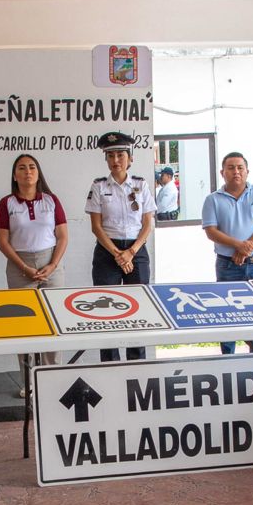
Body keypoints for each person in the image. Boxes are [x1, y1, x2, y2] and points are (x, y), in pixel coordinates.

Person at [0, 153, 68, 396]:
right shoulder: (7, 203)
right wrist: (24, 267)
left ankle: (52, 378)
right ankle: (28, 381)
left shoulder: (51, 200)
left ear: (38, 173)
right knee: (23, 325)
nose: (28, 172)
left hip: (50, 265)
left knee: (53, 324)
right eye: (22, 168)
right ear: (15, 175)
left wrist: (53, 265)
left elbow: (63, 236)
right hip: (20, 266)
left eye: (32, 167)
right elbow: (3, 241)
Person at [86, 131, 155, 362]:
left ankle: (137, 364)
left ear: (130, 158)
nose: (116, 160)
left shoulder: (141, 184)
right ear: (106, 159)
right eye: (111, 155)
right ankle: (110, 364)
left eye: (120, 155)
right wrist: (118, 254)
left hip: (136, 250)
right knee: (106, 311)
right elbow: (96, 226)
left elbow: (148, 223)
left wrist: (131, 252)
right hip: (108, 252)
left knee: (138, 309)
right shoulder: (98, 186)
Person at [201, 151, 253, 354]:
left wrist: (248, 246)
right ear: (222, 172)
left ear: (247, 171)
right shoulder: (212, 199)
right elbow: (211, 231)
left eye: (240, 167)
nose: (236, 172)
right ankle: (227, 358)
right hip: (227, 265)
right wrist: (238, 245)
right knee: (226, 314)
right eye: (231, 168)